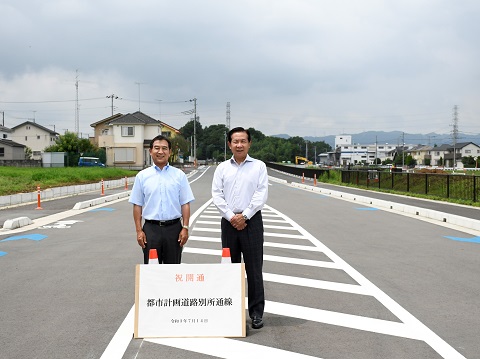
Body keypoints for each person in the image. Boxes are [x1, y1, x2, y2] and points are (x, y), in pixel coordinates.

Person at [211, 127, 268, 329]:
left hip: (251, 221)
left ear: (249, 143)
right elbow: (216, 195)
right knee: (230, 269)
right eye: (235, 141)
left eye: (243, 141)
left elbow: (261, 195)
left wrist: (244, 216)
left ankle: (256, 313)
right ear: (229, 144)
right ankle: (231, 311)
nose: (239, 145)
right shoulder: (222, 168)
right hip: (228, 223)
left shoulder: (259, 166)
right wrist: (231, 216)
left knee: (254, 269)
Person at [129, 134, 194, 264]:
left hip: (174, 229)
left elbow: (185, 203)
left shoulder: (179, 175)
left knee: (173, 269)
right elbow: (137, 205)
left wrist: (185, 227)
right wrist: (139, 231)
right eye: (157, 148)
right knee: (152, 270)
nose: (160, 152)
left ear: (169, 152)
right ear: (151, 151)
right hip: (151, 230)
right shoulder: (142, 176)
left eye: (164, 148)